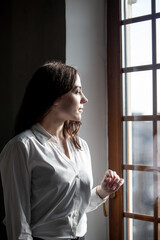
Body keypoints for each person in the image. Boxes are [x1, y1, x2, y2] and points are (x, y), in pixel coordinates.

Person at [0, 61, 124, 240]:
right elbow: (18, 223)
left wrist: (102, 191)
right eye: (77, 91)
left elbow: (70, 206)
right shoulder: (22, 147)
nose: (84, 99)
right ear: (55, 97)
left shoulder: (80, 147)